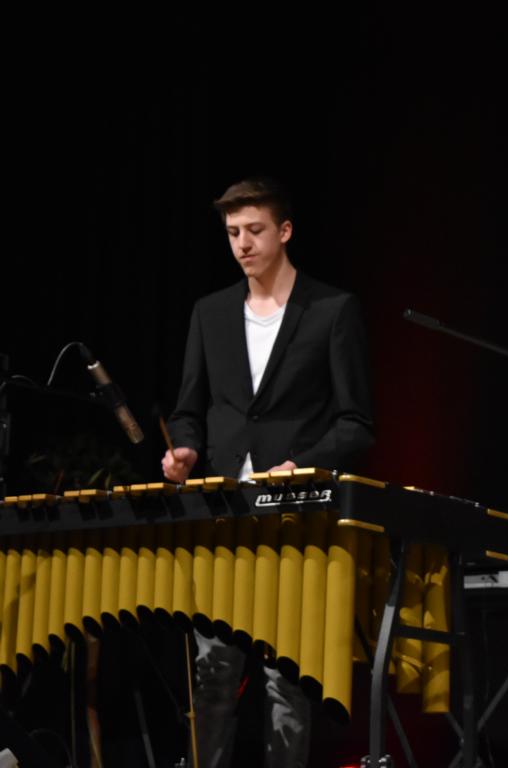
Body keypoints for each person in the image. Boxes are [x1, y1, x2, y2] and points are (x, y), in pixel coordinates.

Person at [163, 177, 375, 767]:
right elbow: (188, 410)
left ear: (284, 231)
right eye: (233, 232)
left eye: (254, 230)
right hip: (223, 516)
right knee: (211, 677)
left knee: (286, 682)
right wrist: (185, 449)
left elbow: (357, 423)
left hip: (296, 516)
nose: (243, 244)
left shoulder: (331, 310)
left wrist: (301, 467)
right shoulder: (209, 313)